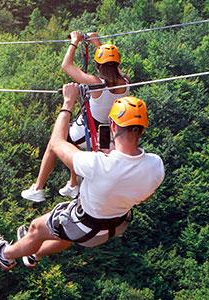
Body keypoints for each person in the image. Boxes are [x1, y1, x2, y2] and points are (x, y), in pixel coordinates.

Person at [0, 83, 165, 270]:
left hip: (84, 225)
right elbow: (144, 195)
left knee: (36, 228)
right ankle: (34, 254)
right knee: (65, 234)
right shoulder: (156, 165)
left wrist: (68, 102)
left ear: (112, 125)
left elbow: (56, 143)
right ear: (142, 129)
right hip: (114, 227)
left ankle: (5, 254)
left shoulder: (98, 164)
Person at [21, 31, 130, 202]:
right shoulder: (126, 81)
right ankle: (73, 184)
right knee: (74, 146)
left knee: (54, 143)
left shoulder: (96, 84)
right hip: (107, 133)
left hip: (89, 129)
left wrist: (74, 42)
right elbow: (111, 65)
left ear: (97, 65)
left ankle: (38, 188)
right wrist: (98, 44)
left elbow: (66, 65)